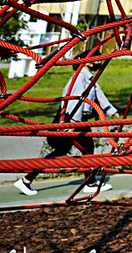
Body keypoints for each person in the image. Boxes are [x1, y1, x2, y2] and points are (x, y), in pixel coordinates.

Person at [14, 58, 118, 197]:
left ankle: (27, 180)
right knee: (83, 150)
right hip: (72, 120)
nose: (99, 62)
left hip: (77, 120)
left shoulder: (89, 78)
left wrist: (111, 111)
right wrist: (73, 123)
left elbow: (99, 95)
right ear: (88, 61)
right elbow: (74, 99)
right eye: (97, 59)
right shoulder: (80, 77)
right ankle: (90, 183)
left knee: (68, 150)